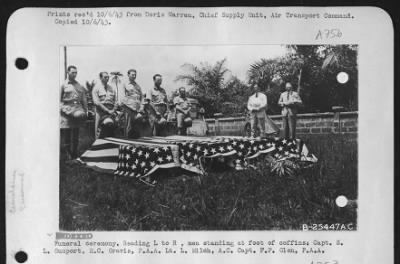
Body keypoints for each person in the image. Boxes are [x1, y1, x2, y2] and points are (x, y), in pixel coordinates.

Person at [60, 65, 88, 158]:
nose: (74, 74)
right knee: (67, 134)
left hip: (77, 111)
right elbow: (58, 101)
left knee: (76, 133)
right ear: (68, 72)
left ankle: (75, 152)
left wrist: (86, 110)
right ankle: (68, 153)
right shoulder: (63, 85)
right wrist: (64, 110)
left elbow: (84, 99)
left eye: (76, 72)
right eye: (72, 72)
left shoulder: (79, 85)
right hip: (66, 112)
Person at [92, 72, 117, 139]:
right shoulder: (96, 88)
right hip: (100, 112)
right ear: (100, 78)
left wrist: (113, 110)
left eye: (108, 77)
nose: (107, 78)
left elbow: (115, 101)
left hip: (111, 112)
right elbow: (97, 102)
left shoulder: (112, 88)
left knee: (112, 127)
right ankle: (98, 142)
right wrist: (107, 110)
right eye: (105, 77)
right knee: (99, 131)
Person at [121, 69, 144, 138]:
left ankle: (137, 143)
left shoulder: (138, 86)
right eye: (132, 75)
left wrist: (142, 106)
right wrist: (130, 107)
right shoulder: (125, 84)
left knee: (137, 126)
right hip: (129, 108)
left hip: (137, 109)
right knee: (128, 126)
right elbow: (122, 97)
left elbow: (142, 97)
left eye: (135, 75)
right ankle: (127, 143)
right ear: (128, 75)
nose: (134, 76)